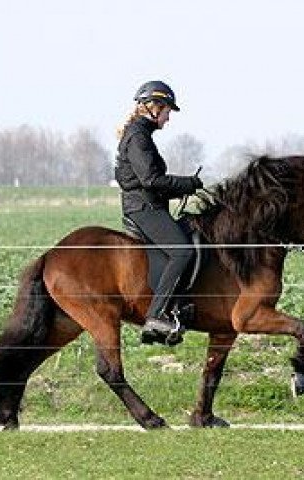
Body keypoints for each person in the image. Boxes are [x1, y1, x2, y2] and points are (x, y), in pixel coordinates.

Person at [114, 80, 203, 345]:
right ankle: (156, 315)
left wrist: (182, 189)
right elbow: (151, 180)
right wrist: (188, 183)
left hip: (147, 205)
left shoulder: (140, 135)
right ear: (154, 107)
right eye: (167, 112)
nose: (168, 118)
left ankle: (176, 307)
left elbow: (151, 182)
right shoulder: (138, 137)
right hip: (143, 209)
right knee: (183, 250)